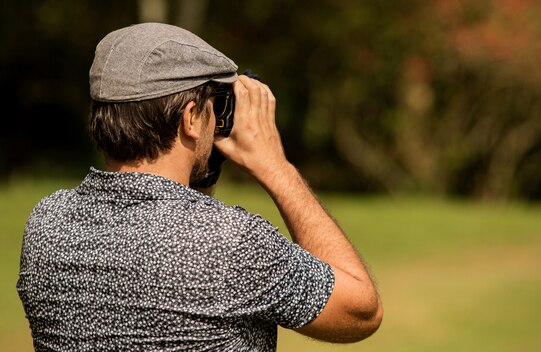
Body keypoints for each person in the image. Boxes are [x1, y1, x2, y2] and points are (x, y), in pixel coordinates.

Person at [16, 22, 382, 351]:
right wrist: (276, 168)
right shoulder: (233, 241)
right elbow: (361, 312)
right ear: (191, 117)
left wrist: (202, 169)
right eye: (213, 107)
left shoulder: (47, 223)